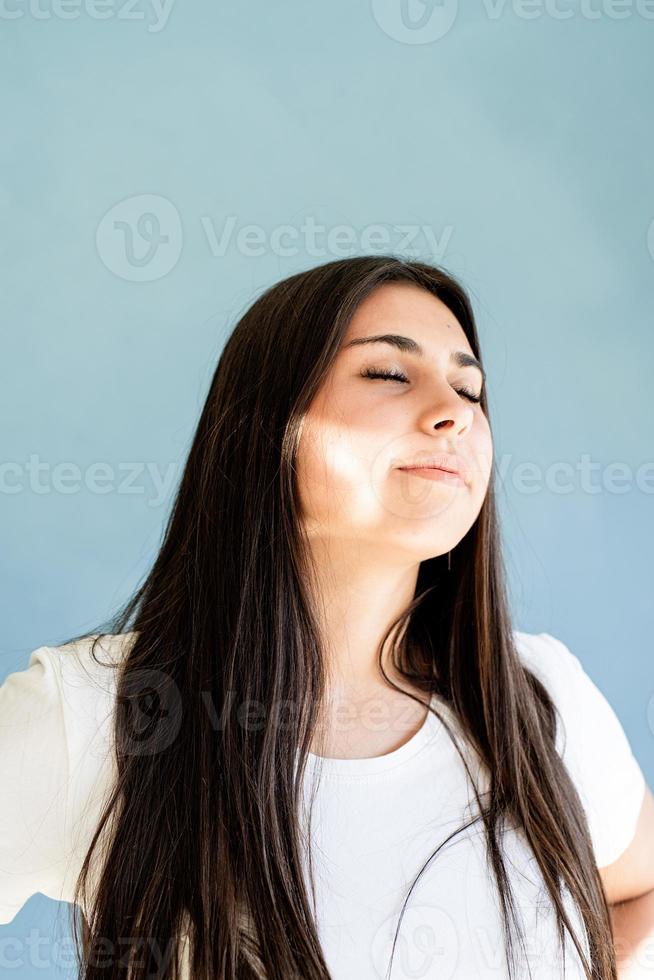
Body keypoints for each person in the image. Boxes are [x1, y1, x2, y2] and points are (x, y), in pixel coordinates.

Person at [1, 255, 652, 980]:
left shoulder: (543, 701)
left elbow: (640, 893)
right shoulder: (91, 717)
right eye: (387, 374)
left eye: (471, 389)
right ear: (263, 426)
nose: (457, 411)